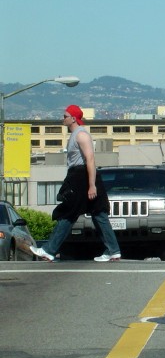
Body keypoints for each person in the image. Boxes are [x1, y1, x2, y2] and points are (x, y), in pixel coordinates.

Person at [30, 105, 121, 262]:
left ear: (73, 118)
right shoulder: (75, 135)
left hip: (82, 177)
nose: (62, 118)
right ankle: (113, 250)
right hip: (78, 176)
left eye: (65, 116)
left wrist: (92, 185)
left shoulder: (81, 135)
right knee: (98, 214)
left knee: (68, 213)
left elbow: (90, 159)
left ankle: (48, 250)